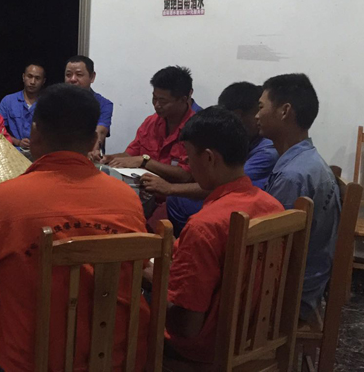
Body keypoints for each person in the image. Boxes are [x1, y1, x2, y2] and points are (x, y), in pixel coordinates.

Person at [0, 84, 149, 372]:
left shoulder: (0, 201)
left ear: (35, 133)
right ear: (93, 141)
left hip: (29, 360)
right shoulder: (128, 200)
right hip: (112, 358)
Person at [164, 107, 283, 364]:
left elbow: (187, 326)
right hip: (255, 335)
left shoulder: (205, 225)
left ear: (209, 158)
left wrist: (151, 276)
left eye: (189, 156)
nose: (188, 165)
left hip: (209, 349)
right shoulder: (273, 207)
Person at [257, 73, 340, 321]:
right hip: (308, 285)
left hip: (290, 296)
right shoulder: (306, 160)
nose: (256, 115)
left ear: (285, 111)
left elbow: (271, 251)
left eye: (261, 107)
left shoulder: (293, 176)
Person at [101, 66, 196, 236]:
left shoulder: (196, 129)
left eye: (163, 101)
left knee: (143, 231)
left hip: (173, 199)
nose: (157, 105)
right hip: (144, 195)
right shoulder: (152, 122)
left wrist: (145, 161)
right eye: (154, 98)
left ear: (184, 99)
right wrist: (107, 158)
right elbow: (130, 155)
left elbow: (186, 175)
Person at [141, 81, 279, 197]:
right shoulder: (153, 121)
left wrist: (169, 188)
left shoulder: (267, 150)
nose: (258, 117)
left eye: (261, 109)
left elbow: (228, 184)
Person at [63, 55, 113, 158]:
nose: (73, 79)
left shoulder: (103, 104)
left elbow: (100, 132)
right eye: (68, 75)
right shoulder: (55, 102)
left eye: (79, 75)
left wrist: (94, 150)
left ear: (92, 77)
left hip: (88, 158)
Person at [0, 62, 46, 149]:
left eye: (37, 78)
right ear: (23, 77)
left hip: (40, 152)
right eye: (29, 76)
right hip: (12, 151)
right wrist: (17, 142)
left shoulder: (48, 103)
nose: (33, 82)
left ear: (43, 81)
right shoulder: (8, 101)